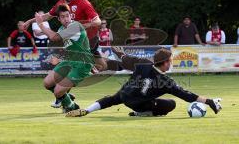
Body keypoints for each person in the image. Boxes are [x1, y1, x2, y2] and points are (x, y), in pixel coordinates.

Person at [66, 47, 222, 118]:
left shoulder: (143, 62)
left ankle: (86, 110)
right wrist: (209, 101)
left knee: (111, 99)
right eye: (170, 61)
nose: (171, 63)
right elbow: (187, 95)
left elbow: (124, 58)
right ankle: (142, 113)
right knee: (171, 104)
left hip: (125, 95)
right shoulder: (166, 81)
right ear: (165, 63)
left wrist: (118, 52)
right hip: (139, 105)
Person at [23, 0, 106, 71]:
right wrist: (29, 21)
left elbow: (98, 21)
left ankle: (89, 66)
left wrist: (85, 25)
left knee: (99, 66)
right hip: (74, 40)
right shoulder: (60, 4)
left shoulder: (83, 2)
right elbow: (47, 16)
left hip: (89, 38)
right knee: (95, 67)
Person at [35, 4, 94, 112]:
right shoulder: (62, 28)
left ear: (71, 15)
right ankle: (67, 98)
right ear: (58, 19)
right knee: (47, 83)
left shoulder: (76, 26)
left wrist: (40, 24)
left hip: (82, 64)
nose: (66, 19)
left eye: (67, 16)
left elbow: (54, 37)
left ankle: (71, 106)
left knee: (58, 92)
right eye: (63, 17)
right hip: (69, 61)